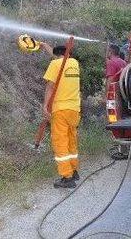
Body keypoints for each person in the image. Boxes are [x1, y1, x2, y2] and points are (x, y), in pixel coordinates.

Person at [41, 43, 81, 189]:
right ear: (67, 53)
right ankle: (74, 170)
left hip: (60, 109)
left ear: (57, 55)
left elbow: (50, 86)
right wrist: (45, 46)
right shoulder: (74, 63)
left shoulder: (55, 64)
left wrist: (45, 106)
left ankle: (67, 177)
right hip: (74, 109)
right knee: (71, 140)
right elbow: (60, 58)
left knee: (60, 142)